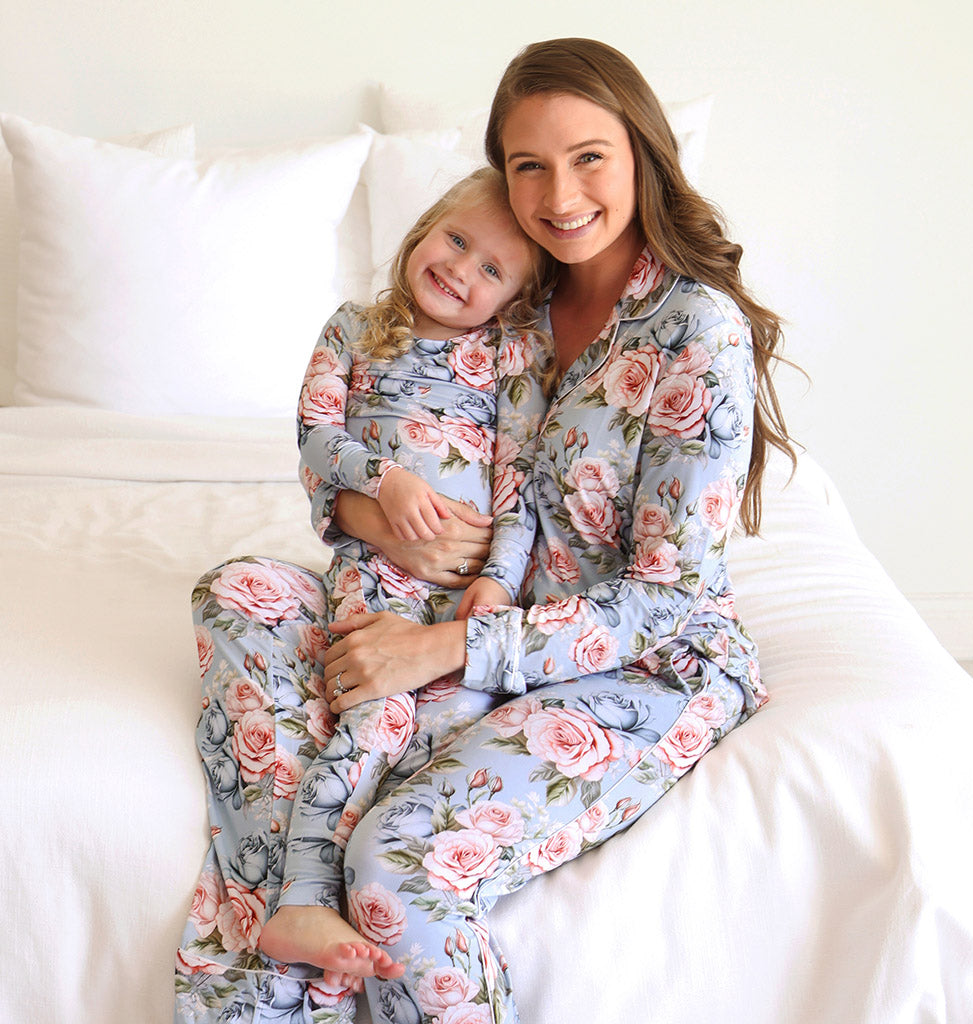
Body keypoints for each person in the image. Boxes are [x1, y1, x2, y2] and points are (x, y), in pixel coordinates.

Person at [175, 36, 796, 1024]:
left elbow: (667, 595)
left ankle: (293, 964)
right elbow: (376, 433)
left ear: (642, 152)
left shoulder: (695, 328)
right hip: (449, 606)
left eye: (588, 157)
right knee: (240, 593)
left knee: (394, 858)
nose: (560, 195)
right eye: (528, 165)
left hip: (636, 665)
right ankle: (297, 908)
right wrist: (373, 515)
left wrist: (441, 648)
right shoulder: (517, 296)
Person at [256, 167, 554, 985]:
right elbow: (316, 434)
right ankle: (302, 899)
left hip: (461, 598)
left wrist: (499, 581)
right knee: (373, 722)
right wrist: (385, 481)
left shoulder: (510, 358)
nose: (460, 269)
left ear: (515, 298)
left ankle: (395, 890)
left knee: (457, 725)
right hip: (376, 577)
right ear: (425, 226)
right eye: (456, 239)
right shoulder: (356, 327)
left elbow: (520, 483)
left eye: (491, 268)